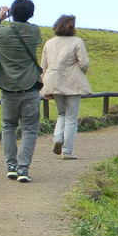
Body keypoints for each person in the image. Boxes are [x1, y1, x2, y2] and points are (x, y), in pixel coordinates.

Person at [0, 0, 41, 182]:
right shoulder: (34, 32)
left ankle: (11, 166)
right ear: (31, 14)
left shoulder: (2, 32)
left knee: (8, 127)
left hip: (8, 88)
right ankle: (23, 169)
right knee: (29, 129)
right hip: (30, 88)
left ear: (11, 12)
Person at [40, 14, 91, 159]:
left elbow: (43, 66)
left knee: (61, 114)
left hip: (53, 80)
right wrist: (80, 71)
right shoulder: (77, 41)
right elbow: (84, 63)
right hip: (72, 82)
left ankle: (57, 138)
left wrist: (43, 84)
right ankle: (67, 151)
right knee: (71, 117)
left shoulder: (49, 43)